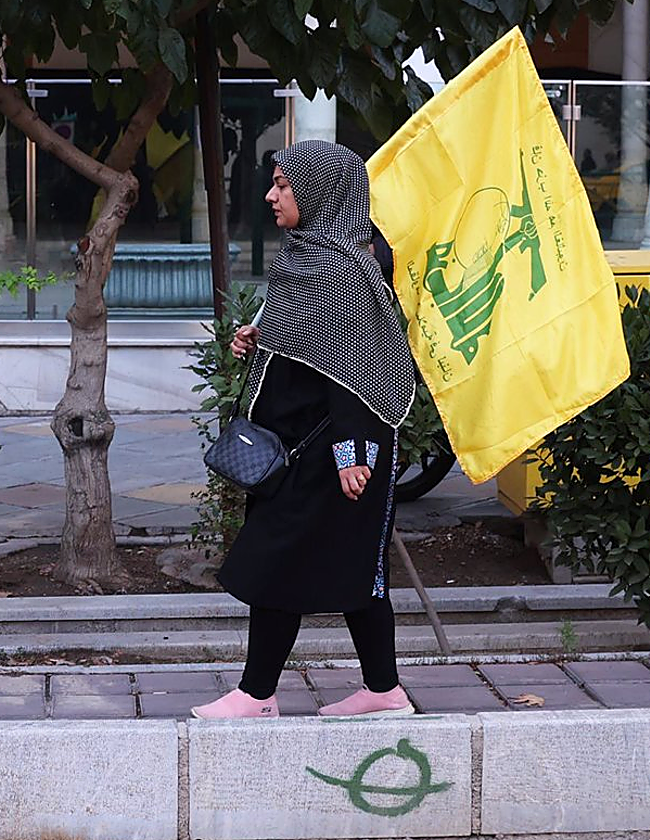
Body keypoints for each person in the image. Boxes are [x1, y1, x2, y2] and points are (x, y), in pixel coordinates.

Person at [191, 140, 417, 720]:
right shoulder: (306, 254)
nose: (271, 195)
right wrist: (258, 335)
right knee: (350, 569)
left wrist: (352, 454)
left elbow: (358, 370)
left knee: (283, 562)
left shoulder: (346, 268)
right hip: (299, 446)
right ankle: (384, 691)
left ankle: (257, 694)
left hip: (336, 449)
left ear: (316, 193)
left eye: (284, 185)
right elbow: (310, 343)